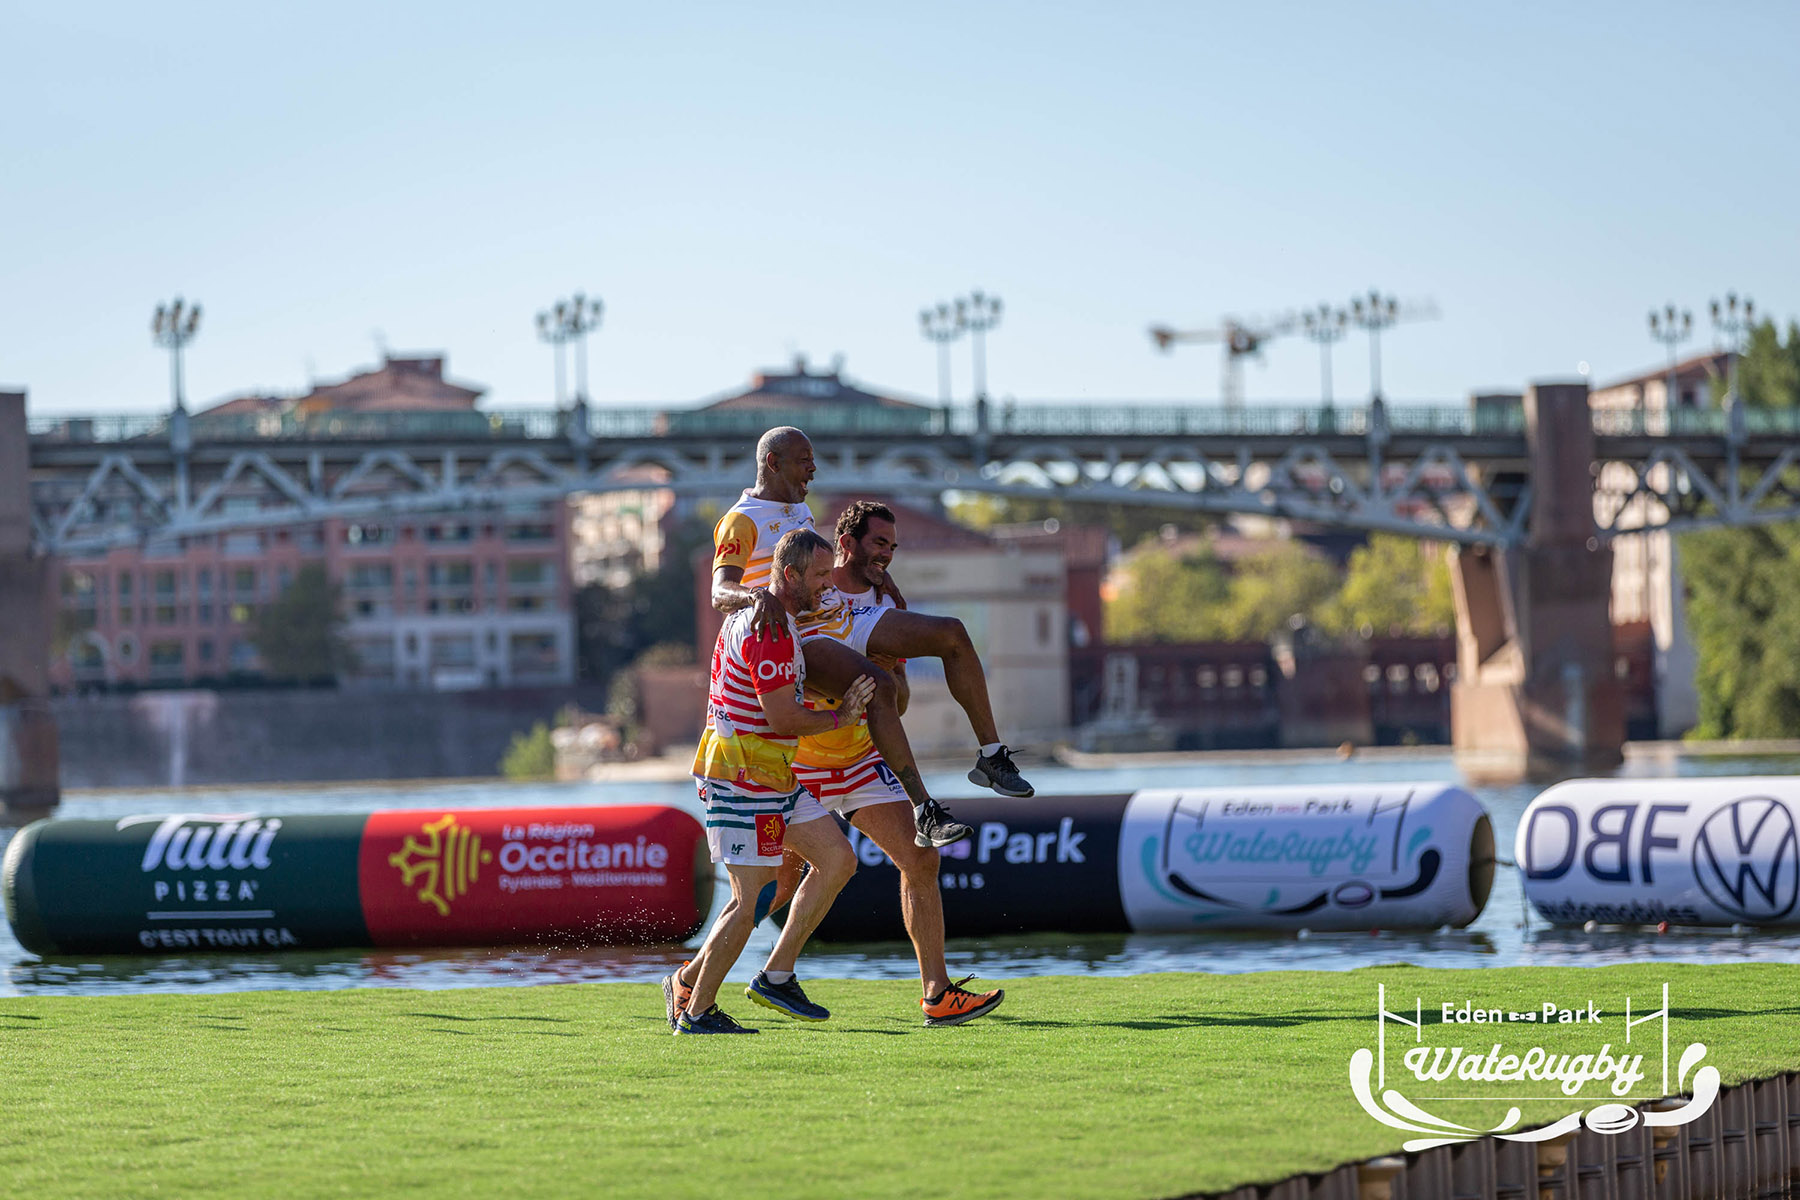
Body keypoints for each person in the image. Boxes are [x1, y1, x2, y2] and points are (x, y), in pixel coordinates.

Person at [709, 427, 1035, 851]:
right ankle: (925, 811)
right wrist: (756, 597)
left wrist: (878, 575)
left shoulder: (798, 512)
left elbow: (822, 565)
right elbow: (719, 592)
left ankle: (991, 756)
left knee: (952, 633)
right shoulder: (741, 519)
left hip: (841, 615)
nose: (813, 468)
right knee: (879, 687)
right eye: (803, 459)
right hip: (800, 638)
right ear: (773, 463)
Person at [782, 499, 1006, 1025]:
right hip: (803, 764)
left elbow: (895, 704)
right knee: (771, 890)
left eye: (892, 546)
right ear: (846, 544)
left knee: (921, 860)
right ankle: (693, 981)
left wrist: (891, 673)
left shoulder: (886, 605)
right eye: (879, 543)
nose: (887, 555)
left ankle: (936, 993)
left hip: (859, 761)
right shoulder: (812, 585)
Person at [668, 528, 873, 1035]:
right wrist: (842, 716)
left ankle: (776, 976)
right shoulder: (771, 629)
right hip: (742, 780)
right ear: (790, 575)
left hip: (772, 778)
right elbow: (782, 718)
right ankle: (695, 1012)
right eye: (821, 575)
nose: (830, 586)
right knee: (749, 901)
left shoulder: (763, 616)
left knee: (838, 859)